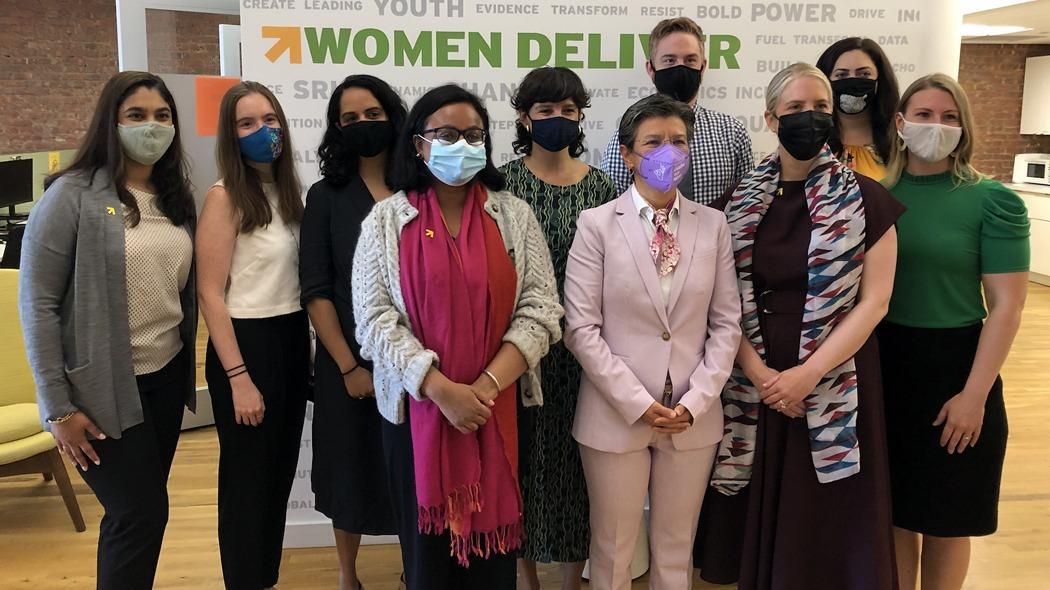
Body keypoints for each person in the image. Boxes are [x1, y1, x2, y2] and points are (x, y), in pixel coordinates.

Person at [693, 63, 905, 590]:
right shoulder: (733, 205)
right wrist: (762, 373)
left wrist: (807, 374)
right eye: (794, 109)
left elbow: (875, 303)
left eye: (820, 108)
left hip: (833, 378)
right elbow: (720, 305)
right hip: (755, 381)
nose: (808, 118)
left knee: (825, 519)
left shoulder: (868, 200)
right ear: (770, 118)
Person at [352, 84, 563, 590]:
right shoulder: (385, 220)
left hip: (500, 409)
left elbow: (542, 310)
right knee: (427, 562)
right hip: (415, 414)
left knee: (494, 564)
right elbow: (373, 321)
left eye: (473, 134)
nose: (461, 144)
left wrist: (483, 390)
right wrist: (441, 389)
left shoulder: (513, 214)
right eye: (446, 134)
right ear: (418, 144)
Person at [19, 71, 197, 590]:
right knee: (140, 516)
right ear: (110, 123)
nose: (152, 126)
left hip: (162, 383)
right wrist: (57, 406)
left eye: (162, 116)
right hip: (97, 395)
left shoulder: (173, 198)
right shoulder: (71, 195)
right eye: (136, 116)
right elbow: (38, 304)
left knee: (130, 519)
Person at [564, 93, 742, 590]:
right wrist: (639, 403)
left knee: (675, 547)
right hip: (615, 414)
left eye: (679, 141)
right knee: (613, 549)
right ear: (627, 153)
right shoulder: (597, 224)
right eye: (654, 142)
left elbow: (726, 324)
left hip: (692, 415)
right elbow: (581, 328)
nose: (669, 152)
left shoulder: (714, 225)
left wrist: (695, 401)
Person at [879, 73, 1030, 590]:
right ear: (900, 123)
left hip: (958, 366)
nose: (936, 126)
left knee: (947, 519)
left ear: (964, 129)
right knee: (896, 515)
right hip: (887, 364)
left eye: (949, 117)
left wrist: (974, 395)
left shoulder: (993, 200)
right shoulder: (876, 198)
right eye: (924, 115)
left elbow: (1007, 307)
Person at [499, 66, 618, 590]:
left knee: (579, 472)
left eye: (569, 111)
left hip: (587, 354)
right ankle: (525, 578)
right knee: (518, 466)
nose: (557, 120)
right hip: (517, 352)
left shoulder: (603, 186)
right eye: (545, 111)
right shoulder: (500, 183)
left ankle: (572, 580)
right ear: (524, 118)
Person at [196, 81, 310, 590]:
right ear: (230, 134)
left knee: (278, 478)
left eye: (268, 119)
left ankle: (263, 578)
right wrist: (239, 378)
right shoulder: (224, 197)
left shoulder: (290, 194)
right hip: (244, 348)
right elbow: (210, 294)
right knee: (247, 485)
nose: (262, 131)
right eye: (246, 123)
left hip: (288, 340)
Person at [300, 74, 404, 590]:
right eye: (349, 119)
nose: (362, 126)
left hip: (415, 365)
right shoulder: (325, 195)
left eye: (372, 115)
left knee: (413, 471)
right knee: (349, 469)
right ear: (336, 129)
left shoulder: (424, 187)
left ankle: (418, 567)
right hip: (348, 363)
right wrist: (347, 366)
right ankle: (347, 576)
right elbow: (317, 291)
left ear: (393, 115)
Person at [600, 17, 752, 204]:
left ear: (702, 67)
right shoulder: (628, 134)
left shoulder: (732, 132)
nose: (680, 68)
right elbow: (614, 204)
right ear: (651, 68)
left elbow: (745, 205)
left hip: (714, 232)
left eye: (690, 60)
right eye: (670, 60)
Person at [816, 37, 901, 180]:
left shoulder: (900, 141)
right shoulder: (812, 139)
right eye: (841, 75)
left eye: (864, 74)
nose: (853, 80)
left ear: (880, 81)